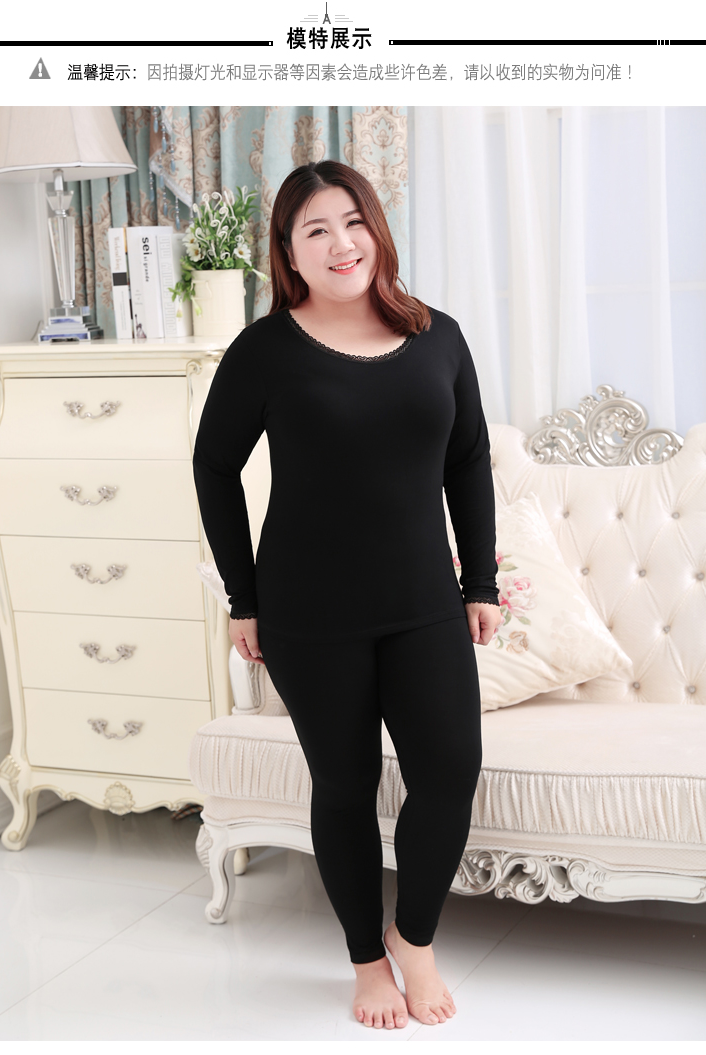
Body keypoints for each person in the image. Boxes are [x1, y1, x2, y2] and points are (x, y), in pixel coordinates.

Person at [192, 160, 503, 1030]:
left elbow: (469, 460)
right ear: (289, 252)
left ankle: (414, 936)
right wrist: (243, 597)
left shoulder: (439, 336)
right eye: (316, 230)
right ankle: (367, 960)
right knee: (345, 780)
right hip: (308, 612)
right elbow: (214, 466)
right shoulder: (264, 350)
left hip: (423, 601)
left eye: (353, 221)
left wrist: (479, 580)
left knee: (450, 769)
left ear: (377, 229)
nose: (341, 243)